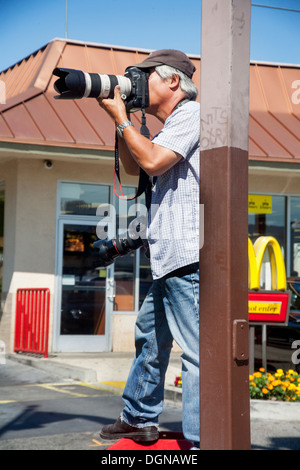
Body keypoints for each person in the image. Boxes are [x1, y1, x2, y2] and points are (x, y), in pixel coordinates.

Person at [97, 49, 200, 448]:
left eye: (145, 77)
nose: (138, 85)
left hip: (187, 254)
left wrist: (122, 117)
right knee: (150, 336)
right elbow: (132, 165)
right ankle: (139, 417)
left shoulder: (192, 115)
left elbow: (153, 161)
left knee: (194, 353)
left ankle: (199, 439)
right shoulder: (173, 123)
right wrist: (120, 121)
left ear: (173, 81)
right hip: (170, 255)